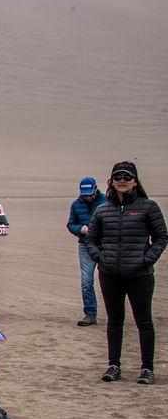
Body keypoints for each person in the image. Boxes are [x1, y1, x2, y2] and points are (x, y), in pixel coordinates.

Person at [85, 161, 166, 385]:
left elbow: (161, 237)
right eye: (118, 177)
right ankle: (114, 366)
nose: (122, 180)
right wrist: (100, 257)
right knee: (114, 321)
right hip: (110, 273)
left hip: (139, 274)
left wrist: (146, 259)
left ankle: (147, 368)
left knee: (144, 321)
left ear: (135, 182)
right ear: (111, 182)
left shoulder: (148, 207)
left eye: (127, 177)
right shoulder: (103, 210)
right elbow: (91, 239)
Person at [68, 176, 106, 326]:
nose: (88, 197)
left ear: (96, 189)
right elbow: (71, 224)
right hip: (85, 245)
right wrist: (80, 229)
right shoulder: (76, 205)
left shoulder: (106, 202)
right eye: (85, 195)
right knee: (86, 281)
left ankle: (115, 314)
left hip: (105, 245)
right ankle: (90, 314)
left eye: (90, 194)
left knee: (110, 281)